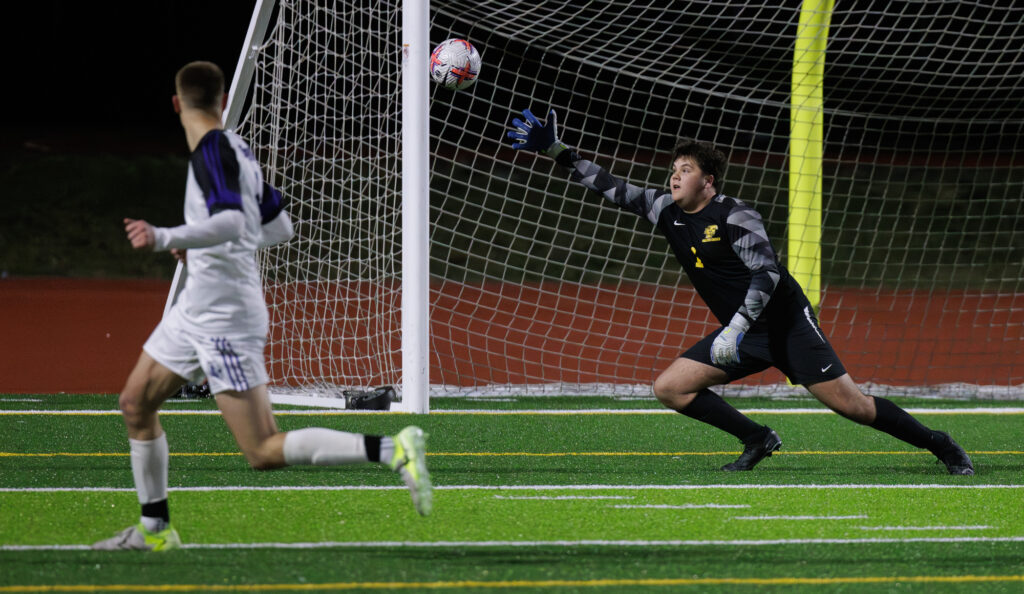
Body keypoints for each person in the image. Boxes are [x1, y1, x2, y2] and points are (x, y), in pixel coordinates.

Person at [506, 108, 974, 475]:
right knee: (670, 388)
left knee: (853, 406)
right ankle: (757, 438)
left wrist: (736, 327)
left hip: (785, 324)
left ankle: (940, 444)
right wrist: (559, 152)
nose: (673, 177)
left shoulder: (735, 215)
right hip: (742, 332)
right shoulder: (665, 209)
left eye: (685, 170)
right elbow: (613, 188)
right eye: (673, 169)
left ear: (707, 182)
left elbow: (767, 276)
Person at [93, 62, 432, 551]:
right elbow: (278, 228)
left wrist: (167, 235)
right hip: (198, 308)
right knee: (136, 403)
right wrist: (204, 245)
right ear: (224, 99)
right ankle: (155, 529)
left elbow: (232, 222)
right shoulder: (238, 150)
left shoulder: (211, 149)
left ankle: (391, 449)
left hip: (224, 318)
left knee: (262, 450)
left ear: (176, 104)